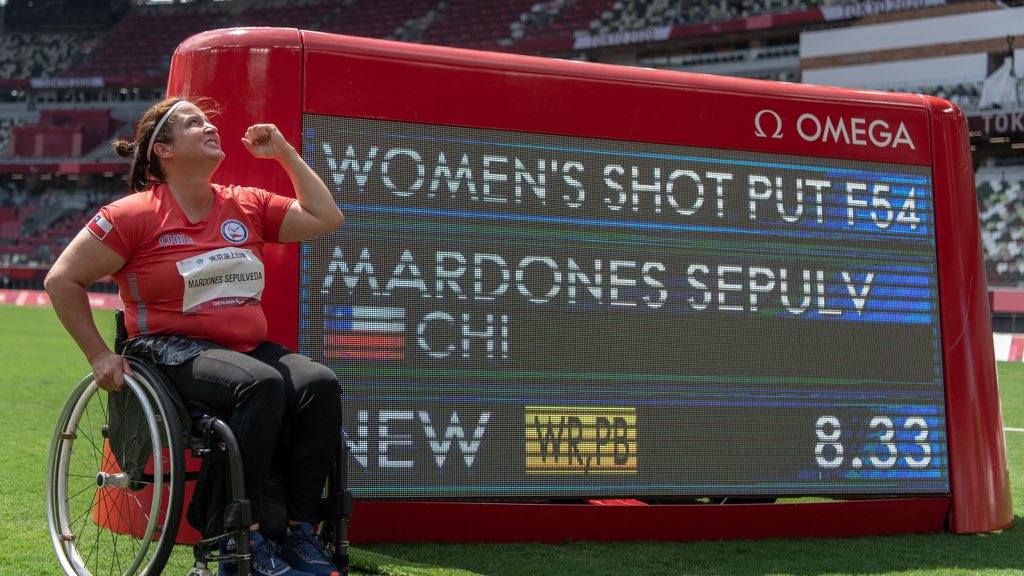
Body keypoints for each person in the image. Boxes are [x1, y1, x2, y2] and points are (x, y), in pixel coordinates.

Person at [44, 96, 345, 576]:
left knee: (319, 385)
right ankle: (233, 535)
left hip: (244, 349)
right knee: (259, 385)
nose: (209, 127)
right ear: (163, 150)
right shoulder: (132, 215)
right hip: (168, 350)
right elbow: (62, 281)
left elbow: (327, 217)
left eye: (208, 122)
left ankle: (296, 530)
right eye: (194, 123)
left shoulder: (245, 203)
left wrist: (285, 154)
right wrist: (98, 355)